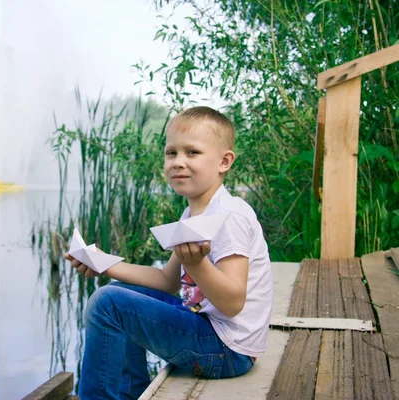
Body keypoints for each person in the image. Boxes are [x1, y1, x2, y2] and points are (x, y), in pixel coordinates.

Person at [64, 106, 274, 400]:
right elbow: (167, 281)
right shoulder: (193, 213)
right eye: (171, 153)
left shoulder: (229, 217)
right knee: (119, 292)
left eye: (192, 153)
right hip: (209, 333)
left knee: (108, 303)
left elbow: (233, 302)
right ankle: (131, 394)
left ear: (224, 161)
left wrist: (197, 265)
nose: (178, 162)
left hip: (227, 351)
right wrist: (103, 263)